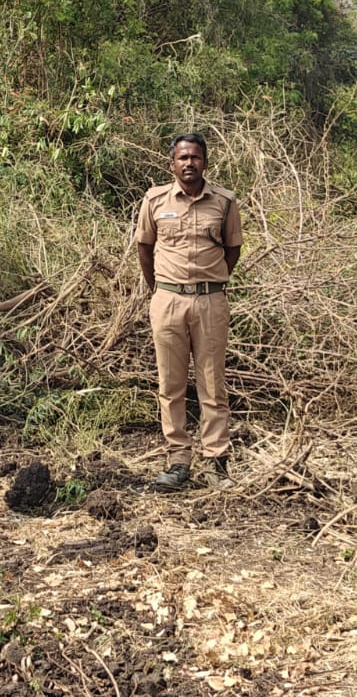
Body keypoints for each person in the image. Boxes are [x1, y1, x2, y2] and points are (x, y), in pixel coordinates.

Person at [135, 133, 244, 491]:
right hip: (167, 301)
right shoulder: (154, 201)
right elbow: (145, 250)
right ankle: (178, 461)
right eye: (182, 157)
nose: (189, 163)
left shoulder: (225, 203)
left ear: (205, 162)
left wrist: (209, 283)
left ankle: (216, 463)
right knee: (171, 385)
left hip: (211, 301)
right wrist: (161, 289)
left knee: (212, 385)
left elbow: (232, 252)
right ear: (172, 164)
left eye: (195, 157)